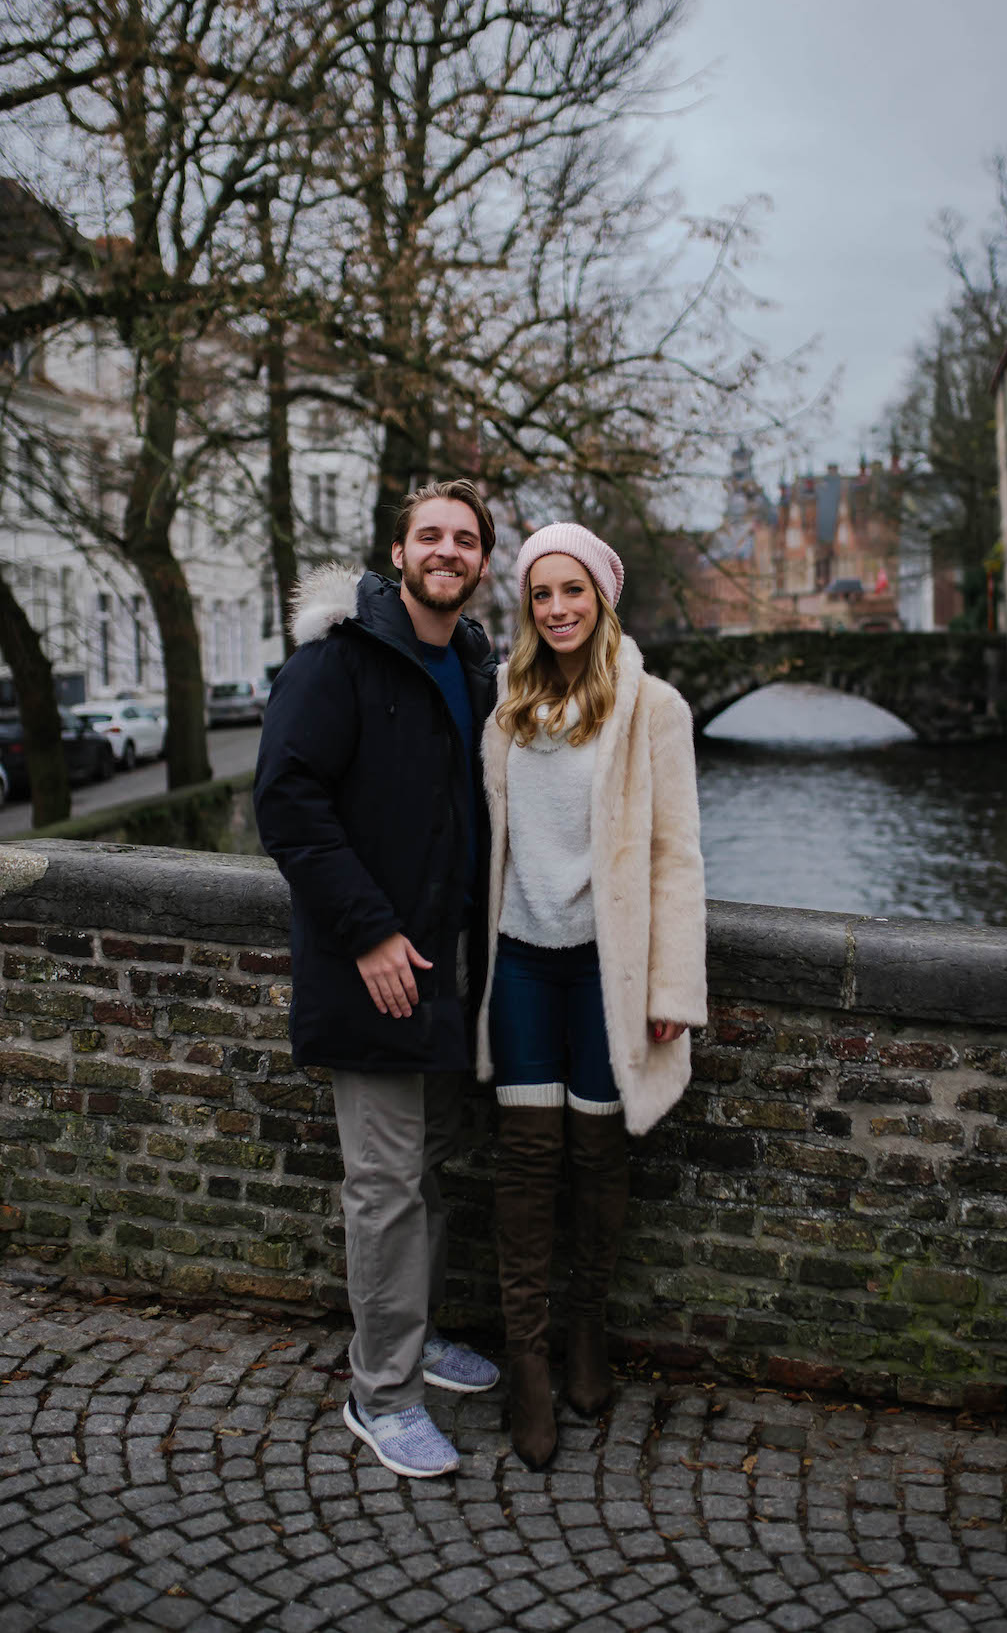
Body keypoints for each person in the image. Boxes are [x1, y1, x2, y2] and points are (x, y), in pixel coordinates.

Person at [254, 479, 501, 1480]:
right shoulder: (338, 662)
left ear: (482, 564)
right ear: (397, 555)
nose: (448, 550)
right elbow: (287, 799)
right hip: (375, 972)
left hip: (450, 975)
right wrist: (366, 934)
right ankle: (382, 1392)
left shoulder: (474, 663)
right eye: (430, 536)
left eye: (466, 539)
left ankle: (415, 1334)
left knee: (431, 1167)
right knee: (387, 1186)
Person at [476, 522, 707, 1469]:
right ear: (527, 607)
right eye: (541, 594)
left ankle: (585, 1333)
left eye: (573, 591)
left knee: (599, 1157)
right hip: (523, 960)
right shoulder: (505, 702)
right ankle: (527, 1360)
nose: (558, 608)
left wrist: (671, 986)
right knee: (528, 1162)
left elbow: (677, 856)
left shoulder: (653, 708)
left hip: (607, 972)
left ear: (602, 598)